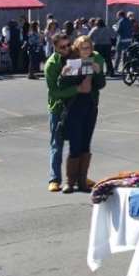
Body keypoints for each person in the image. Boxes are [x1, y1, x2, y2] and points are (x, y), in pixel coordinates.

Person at [44, 32, 91, 192]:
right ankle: (54, 178)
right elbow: (54, 92)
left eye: (68, 45)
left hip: (76, 107)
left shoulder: (75, 56)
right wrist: (77, 88)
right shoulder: (51, 64)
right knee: (57, 144)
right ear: (55, 48)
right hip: (58, 108)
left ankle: (78, 176)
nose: (66, 49)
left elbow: (93, 56)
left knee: (76, 143)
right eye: (62, 47)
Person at [59, 35, 106, 194]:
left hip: (90, 107)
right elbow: (61, 87)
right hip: (74, 107)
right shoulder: (70, 63)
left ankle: (82, 180)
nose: (86, 51)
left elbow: (100, 85)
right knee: (75, 143)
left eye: (88, 48)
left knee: (86, 143)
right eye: (83, 48)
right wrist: (64, 75)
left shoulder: (94, 62)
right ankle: (69, 182)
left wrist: (98, 73)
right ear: (77, 49)